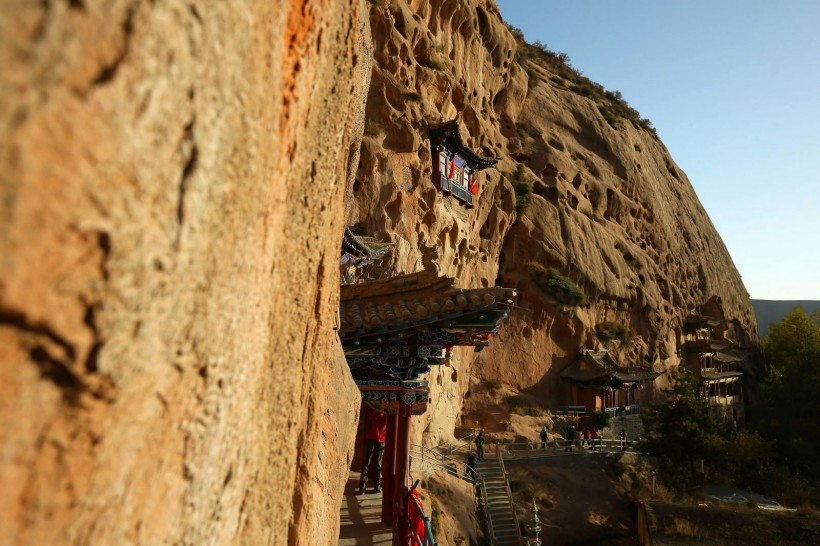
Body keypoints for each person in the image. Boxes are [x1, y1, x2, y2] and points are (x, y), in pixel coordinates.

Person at [359, 407, 387, 494]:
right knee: (367, 463)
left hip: (381, 440)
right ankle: (363, 486)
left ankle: (377, 486)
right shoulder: (375, 409)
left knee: (378, 465)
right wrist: (378, 410)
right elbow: (370, 417)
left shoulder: (387, 412)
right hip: (372, 438)